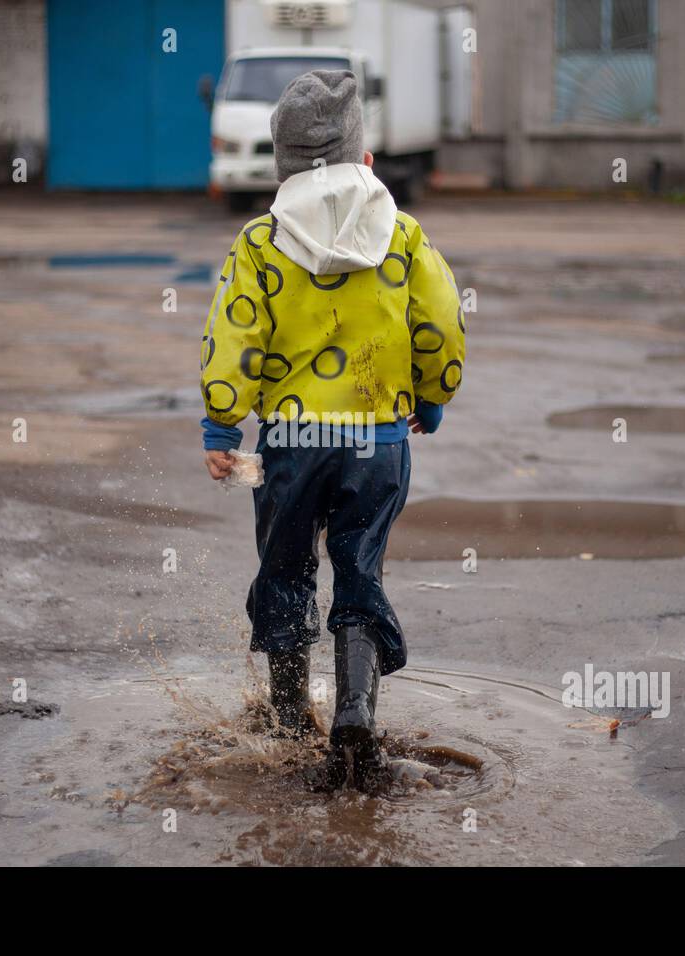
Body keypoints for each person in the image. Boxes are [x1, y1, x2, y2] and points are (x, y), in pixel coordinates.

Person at [198, 70, 465, 789]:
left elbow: (236, 334)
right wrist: (433, 395)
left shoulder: (260, 240)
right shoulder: (402, 235)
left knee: (286, 570)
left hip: (291, 444)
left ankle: (289, 725)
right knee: (359, 566)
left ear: (282, 168)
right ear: (366, 160)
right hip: (376, 441)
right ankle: (354, 716)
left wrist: (223, 423)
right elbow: (439, 320)